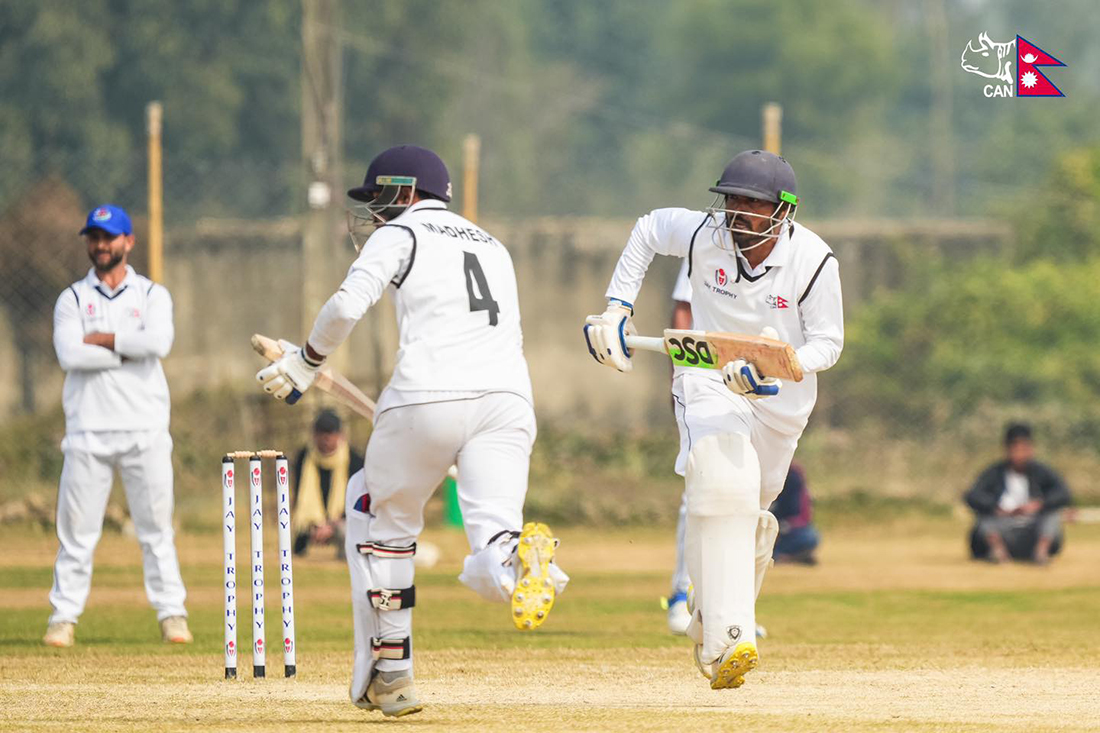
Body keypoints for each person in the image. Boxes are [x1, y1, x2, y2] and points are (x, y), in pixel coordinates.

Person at [256, 145, 568, 717]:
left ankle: (394, 672)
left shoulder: (401, 235)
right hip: (508, 400)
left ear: (405, 193)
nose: (374, 213)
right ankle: (524, 558)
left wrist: (305, 360)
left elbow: (347, 304)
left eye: (379, 199)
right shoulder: (493, 245)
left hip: (426, 394)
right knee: (494, 538)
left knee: (380, 518)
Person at [584, 150, 843, 689]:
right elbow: (649, 228)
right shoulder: (708, 235)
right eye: (732, 200)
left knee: (751, 511)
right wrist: (616, 307)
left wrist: (787, 365)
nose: (738, 213)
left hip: (780, 397)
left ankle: (709, 618)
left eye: (753, 203)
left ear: (783, 211)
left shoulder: (814, 261)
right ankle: (731, 638)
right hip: (705, 374)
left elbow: (829, 343)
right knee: (722, 482)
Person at [44, 204, 190, 648]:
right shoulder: (71, 298)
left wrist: (103, 340)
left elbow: (159, 343)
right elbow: (70, 355)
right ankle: (63, 618)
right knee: (77, 536)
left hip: (144, 429)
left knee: (156, 531)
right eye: (94, 237)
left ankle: (172, 615)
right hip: (87, 432)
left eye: (109, 237)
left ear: (129, 242)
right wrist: (130, 349)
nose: (101, 245)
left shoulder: (151, 295)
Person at [965, 423, 1071, 564]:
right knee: (985, 517)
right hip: (1003, 527)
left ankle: (1041, 552)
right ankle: (998, 552)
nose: (1019, 454)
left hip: (1033, 528)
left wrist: (1039, 505)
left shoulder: (1041, 472)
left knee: (1051, 516)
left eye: (1023, 449)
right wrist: (997, 508)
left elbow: (1063, 493)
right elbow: (973, 495)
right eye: (1015, 449)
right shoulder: (994, 473)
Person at [292, 409, 364, 558]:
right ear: (314, 435)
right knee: (293, 526)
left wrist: (331, 526)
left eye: (330, 433)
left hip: (344, 522)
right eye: (321, 433)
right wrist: (316, 523)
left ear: (340, 435)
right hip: (312, 522)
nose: (325, 439)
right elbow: (300, 497)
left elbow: (358, 502)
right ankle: (298, 553)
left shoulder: (355, 460)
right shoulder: (303, 458)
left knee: (347, 532)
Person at [770, 462, 819, 565]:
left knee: (809, 537)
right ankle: (783, 556)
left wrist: (783, 526)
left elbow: (800, 515)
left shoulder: (793, 476)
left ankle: (780, 556)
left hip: (784, 527)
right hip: (763, 524)